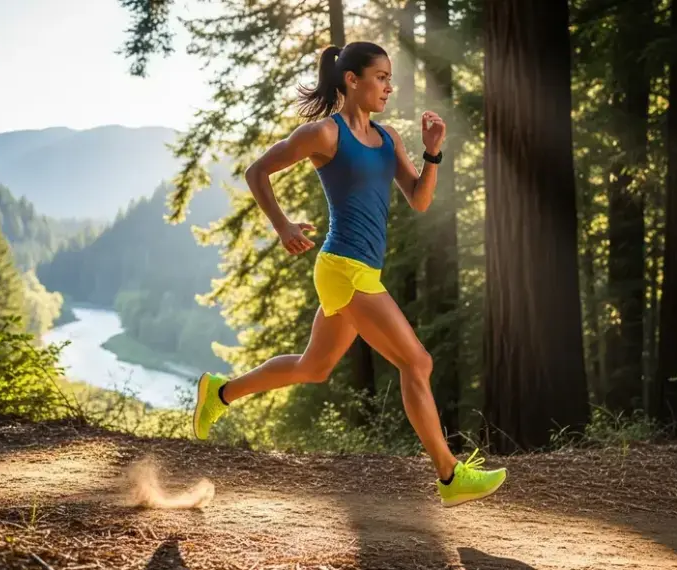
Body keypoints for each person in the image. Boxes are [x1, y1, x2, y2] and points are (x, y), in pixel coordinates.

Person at [192, 41, 507, 507]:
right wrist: (282, 226)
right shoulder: (325, 134)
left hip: (361, 271)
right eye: (379, 76)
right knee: (417, 363)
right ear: (351, 80)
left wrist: (433, 154)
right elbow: (258, 171)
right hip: (342, 267)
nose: (388, 85)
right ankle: (449, 475)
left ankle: (220, 392)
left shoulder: (388, 139)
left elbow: (419, 199)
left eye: (389, 77)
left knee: (313, 367)